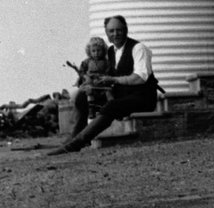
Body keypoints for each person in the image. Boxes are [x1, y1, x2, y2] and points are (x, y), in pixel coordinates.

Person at [47, 16, 160, 154]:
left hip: (142, 98)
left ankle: (75, 145)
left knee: (112, 105)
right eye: (111, 31)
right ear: (106, 33)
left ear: (126, 30)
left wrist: (114, 80)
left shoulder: (138, 48)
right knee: (82, 97)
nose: (115, 34)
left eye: (119, 30)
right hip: (122, 95)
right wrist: (92, 86)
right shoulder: (111, 52)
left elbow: (139, 78)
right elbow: (105, 77)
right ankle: (74, 137)